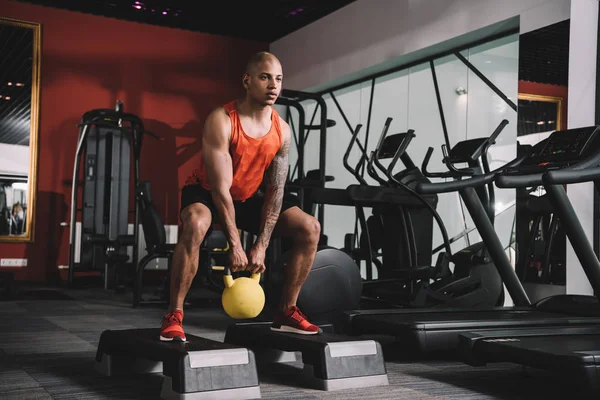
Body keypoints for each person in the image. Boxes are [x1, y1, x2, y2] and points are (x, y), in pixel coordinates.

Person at [159, 51, 322, 342]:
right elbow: (221, 189)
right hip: (208, 192)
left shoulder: (281, 130)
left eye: (279, 79)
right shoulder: (221, 120)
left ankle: (287, 311)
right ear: (247, 81)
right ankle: (174, 314)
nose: (273, 85)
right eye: (265, 77)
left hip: (248, 195)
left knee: (309, 227)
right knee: (196, 223)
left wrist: (261, 244)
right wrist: (236, 245)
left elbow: (276, 190)